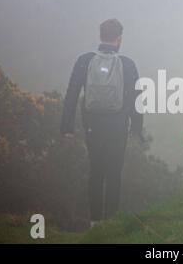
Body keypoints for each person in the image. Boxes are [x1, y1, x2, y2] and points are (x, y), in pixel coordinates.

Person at [60, 18, 143, 227]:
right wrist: (137, 128)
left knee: (96, 170)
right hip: (118, 125)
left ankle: (95, 221)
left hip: (92, 124)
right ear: (119, 39)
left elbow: (72, 93)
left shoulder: (84, 60)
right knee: (114, 172)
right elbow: (136, 97)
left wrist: (67, 127)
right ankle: (112, 222)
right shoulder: (127, 64)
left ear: (100, 36)